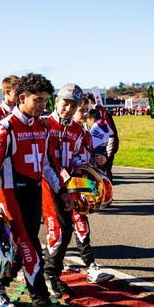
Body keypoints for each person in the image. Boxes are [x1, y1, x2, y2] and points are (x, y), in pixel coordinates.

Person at [0, 73, 74, 307]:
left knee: (22, 250)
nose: (43, 105)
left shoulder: (43, 127)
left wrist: (62, 190)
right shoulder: (4, 128)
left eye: (46, 100)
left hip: (33, 196)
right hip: (12, 198)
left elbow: (47, 164)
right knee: (33, 252)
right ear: (21, 98)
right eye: (38, 100)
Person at [42, 84, 85, 298]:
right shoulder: (44, 124)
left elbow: (75, 156)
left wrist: (84, 166)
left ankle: (53, 274)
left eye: (73, 105)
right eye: (65, 104)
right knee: (57, 231)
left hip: (67, 186)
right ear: (56, 101)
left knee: (67, 229)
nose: (68, 109)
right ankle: (48, 276)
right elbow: (43, 160)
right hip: (45, 185)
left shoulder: (78, 130)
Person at [66, 97, 115, 283]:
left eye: (87, 109)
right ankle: (54, 267)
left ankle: (90, 265)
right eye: (82, 109)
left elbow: (89, 158)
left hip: (80, 186)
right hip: (64, 186)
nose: (86, 113)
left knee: (80, 224)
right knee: (65, 230)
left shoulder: (87, 132)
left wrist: (99, 160)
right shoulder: (65, 131)